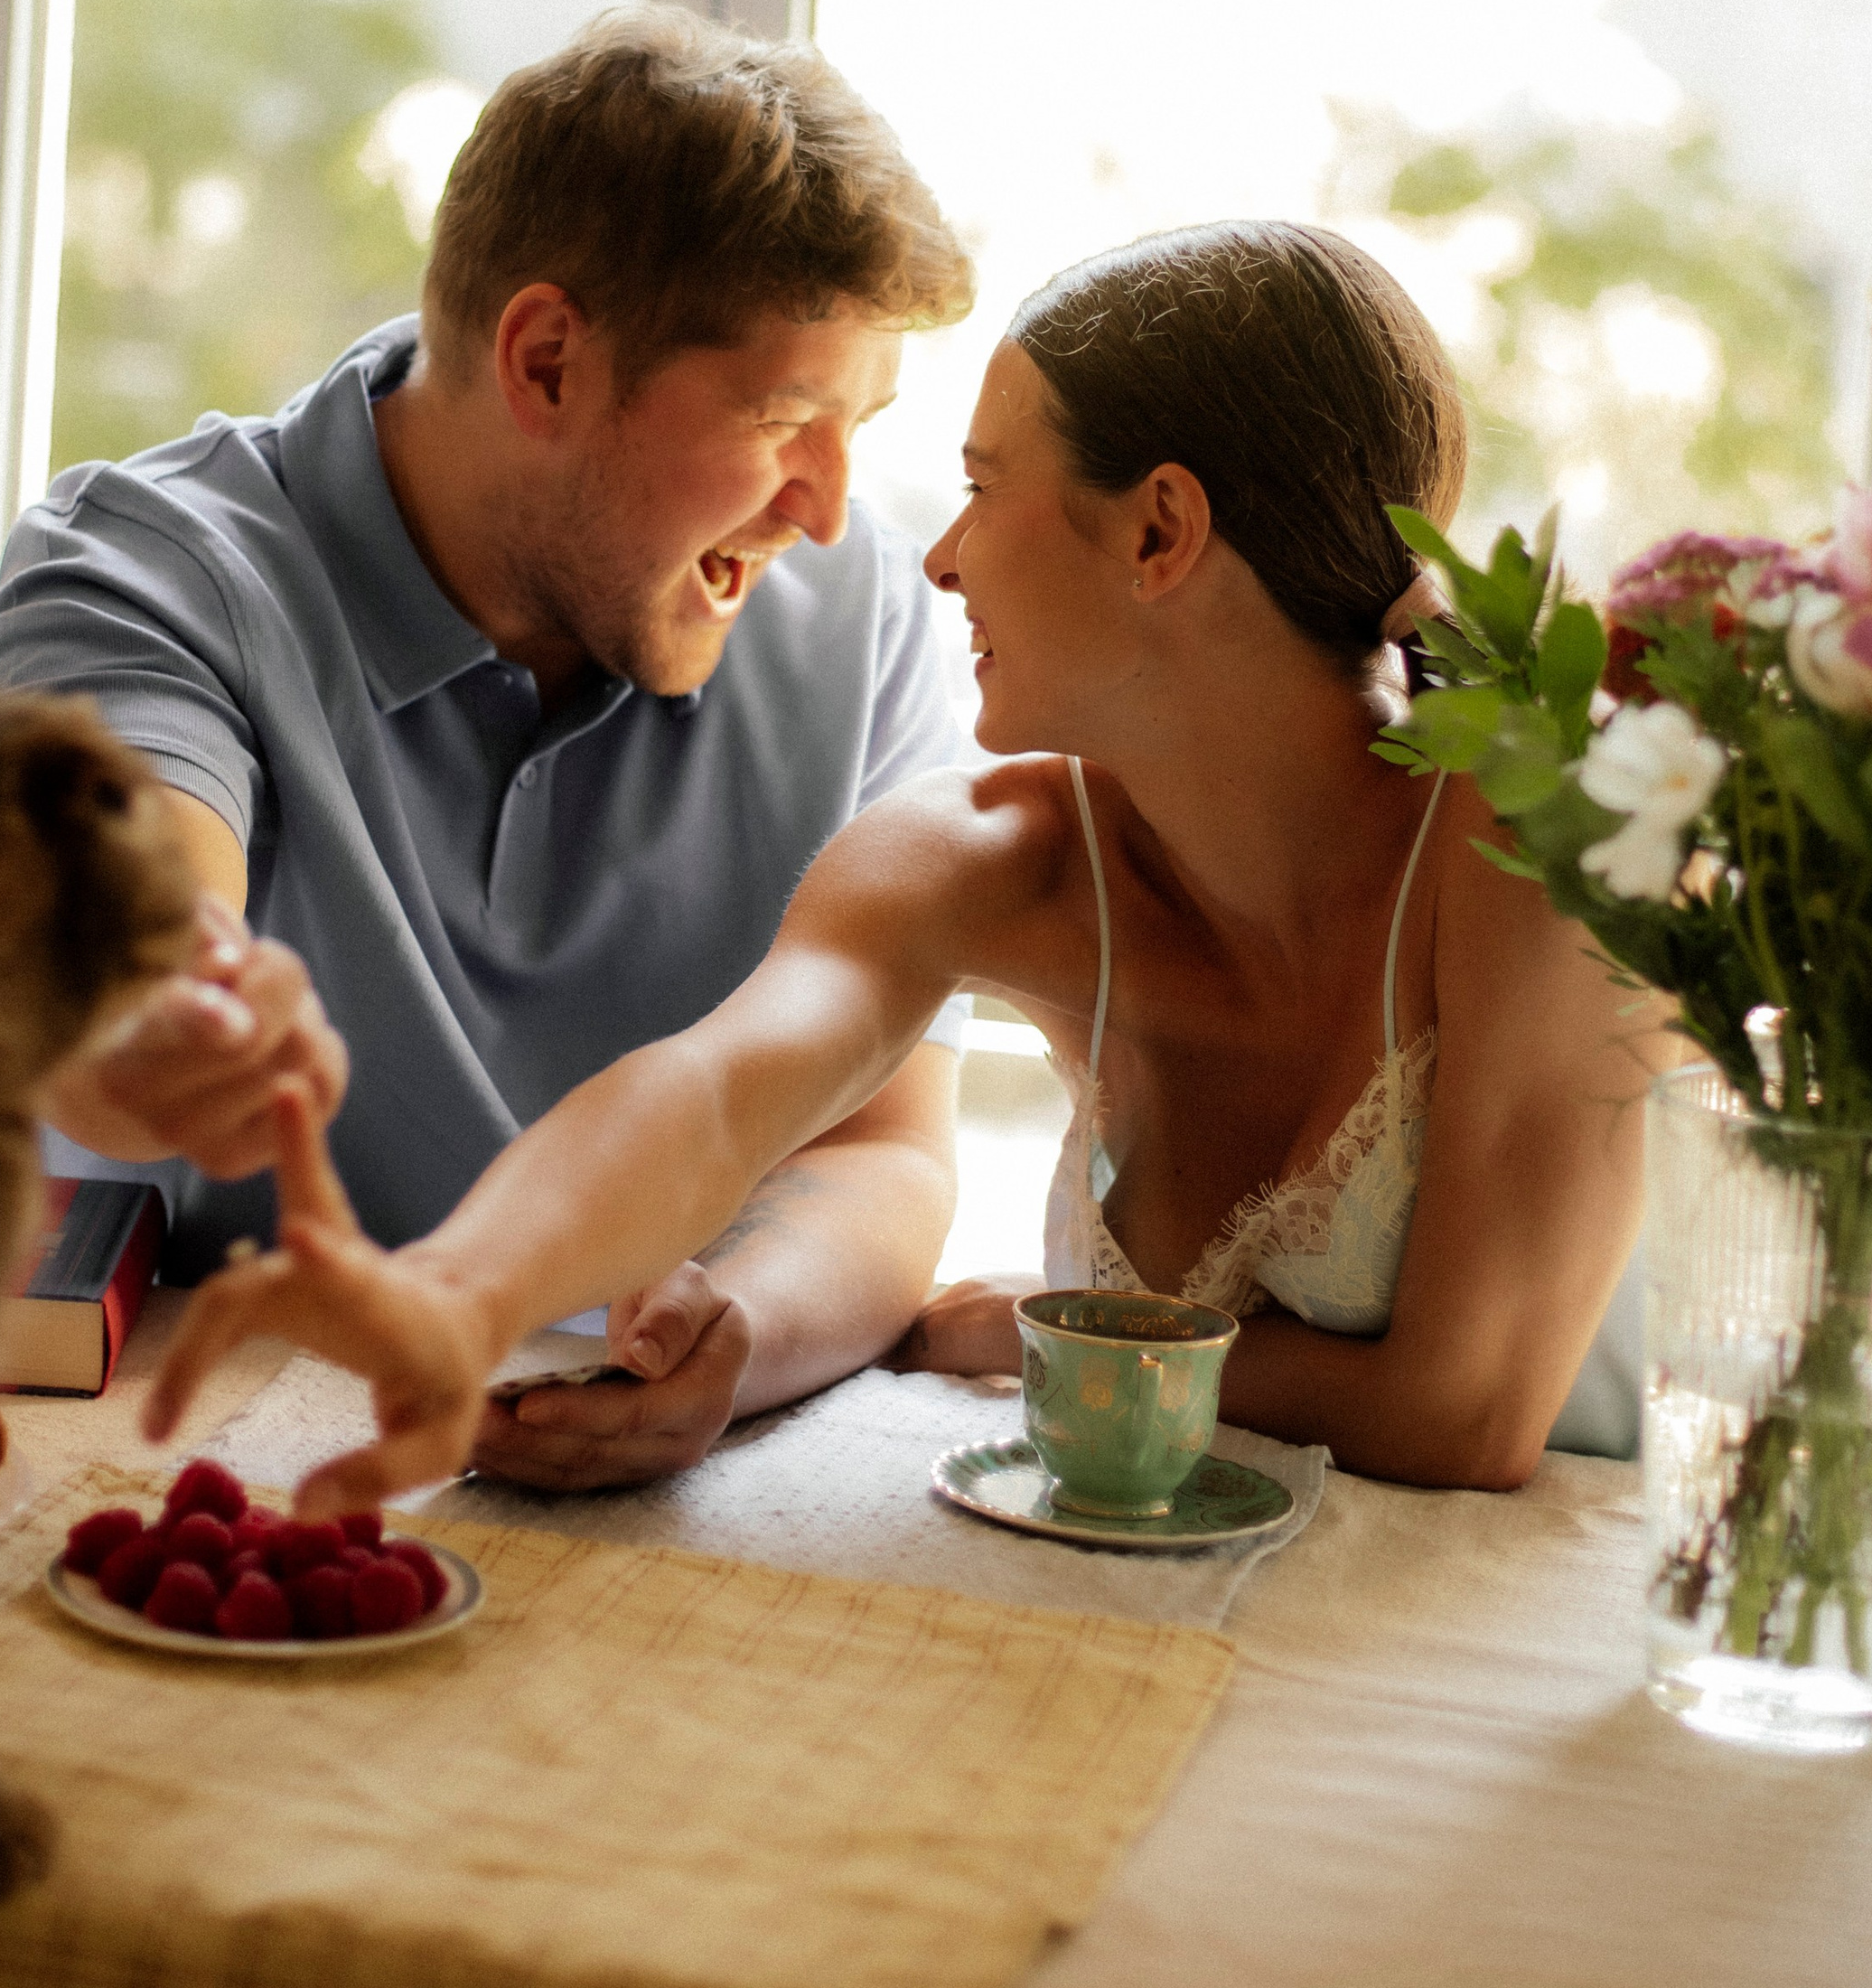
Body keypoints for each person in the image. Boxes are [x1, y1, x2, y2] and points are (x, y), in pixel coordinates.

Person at [145, 219, 1658, 1509]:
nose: (939, 558)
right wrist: (461, 1301)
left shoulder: (1538, 820)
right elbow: (715, 1090)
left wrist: (1046, 1331)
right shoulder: (990, 854)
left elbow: (1466, 1416)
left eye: (986, 489)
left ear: (1160, 531)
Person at [0, 6, 978, 1489]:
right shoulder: (141, 573)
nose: (825, 508)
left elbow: (886, 1148)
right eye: (783, 417)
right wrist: (171, 1012)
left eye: (857, 427)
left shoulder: (860, 614)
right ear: (549, 359)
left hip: (631, 1485)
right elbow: (116, 950)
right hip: (188, 1459)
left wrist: (732, 1335)